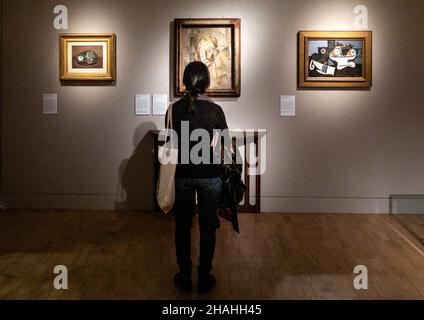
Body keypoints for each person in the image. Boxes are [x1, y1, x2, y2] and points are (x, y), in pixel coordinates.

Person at [165, 61, 229, 293]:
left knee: (182, 227)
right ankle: (204, 276)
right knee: (208, 227)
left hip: (182, 175)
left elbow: (171, 142)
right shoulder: (216, 110)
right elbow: (224, 146)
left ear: (184, 81)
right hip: (210, 176)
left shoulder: (172, 109)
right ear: (206, 82)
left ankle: (184, 275)